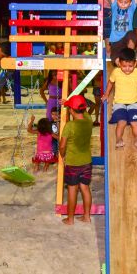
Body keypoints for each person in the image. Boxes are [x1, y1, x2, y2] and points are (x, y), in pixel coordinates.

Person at [104, 48, 137, 149]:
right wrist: (106, 94)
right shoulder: (116, 72)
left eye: (130, 66)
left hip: (134, 103)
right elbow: (110, 83)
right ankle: (118, 139)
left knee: (135, 122)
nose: (127, 69)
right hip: (119, 103)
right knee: (122, 122)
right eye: (124, 66)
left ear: (135, 64)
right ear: (119, 64)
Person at [59, 95, 94, 225]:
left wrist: (62, 156)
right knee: (85, 188)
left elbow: (62, 146)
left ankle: (70, 219)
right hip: (87, 162)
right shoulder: (89, 121)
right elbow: (83, 111)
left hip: (73, 163)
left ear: (71, 110)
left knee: (72, 189)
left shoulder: (69, 126)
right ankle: (86, 216)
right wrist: (70, 104)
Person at [107, 0, 137, 65]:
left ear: (130, 3)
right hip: (115, 40)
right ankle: (122, 66)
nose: (123, 4)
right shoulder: (114, 7)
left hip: (126, 35)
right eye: (121, 1)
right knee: (115, 58)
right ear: (117, 1)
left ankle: (130, 56)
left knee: (132, 35)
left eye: (126, 2)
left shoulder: (131, 9)